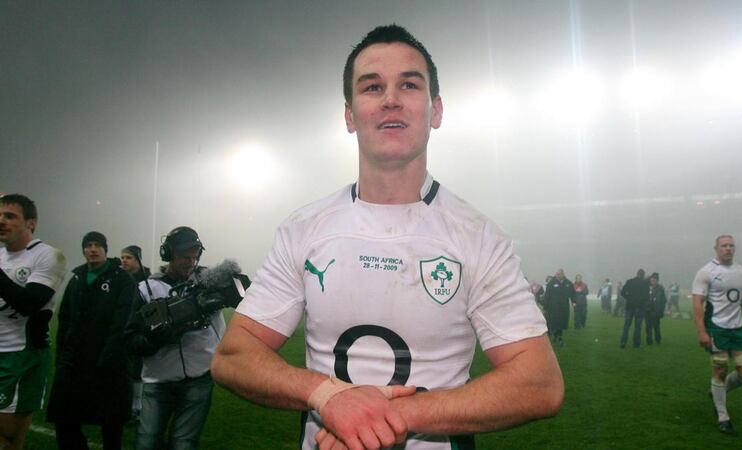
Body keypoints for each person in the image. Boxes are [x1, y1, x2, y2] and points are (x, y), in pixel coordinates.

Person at [211, 25, 563, 450]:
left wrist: (385, 416)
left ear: (435, 111)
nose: (391, 99)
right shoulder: (304, 228)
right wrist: (326, 395)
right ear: (349, 114)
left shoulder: (478, 238)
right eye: (372, 86)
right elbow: (233, 355)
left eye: (409, 84)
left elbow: (539, 383)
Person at [125, 227, 223, 450]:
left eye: (193, 257)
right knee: (146, 443)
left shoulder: (209, 283)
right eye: (183, 257)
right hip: (158, 381)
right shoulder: (144, 290)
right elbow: (130, 340)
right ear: (168, 254)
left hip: (200, 378)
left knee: (184, 444)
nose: (189, 262)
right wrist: (160, 337)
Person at [46, 232, 135, 450]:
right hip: (74, 362)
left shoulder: (121, 279)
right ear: (83, 249)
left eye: (97, 245)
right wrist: (63, 356)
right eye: (88, 245)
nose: (92, 249)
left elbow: (122, 322)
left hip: (107, 364)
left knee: (111, 423)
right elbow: (64, 317)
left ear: (106, 250)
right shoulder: (77, 277)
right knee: (64, 418)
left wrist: (108, 357)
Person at [0, 194, 68, 450]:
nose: (1, 221)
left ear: (31, 223)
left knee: (6, 435)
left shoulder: (48, 256)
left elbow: (29, 303)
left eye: (10, 216)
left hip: (20, 355)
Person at [692, 235, 742, 435]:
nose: (728, 249)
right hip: (716, 329)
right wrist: (702, 331)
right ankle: (723, 417)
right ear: (716, 248)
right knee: (719, 370)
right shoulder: (706, 272)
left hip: (737, 329)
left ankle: (717, 393)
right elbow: (697, 303)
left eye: (731, 246)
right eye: (724, 246)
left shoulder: (741, 272)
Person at [120, 244, 150, 422]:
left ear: (138, 259)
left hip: (138, 329)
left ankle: (136, 408)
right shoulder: (119, 278)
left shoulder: (146, 280)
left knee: (137, 369)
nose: (124, 260)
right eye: (123, 257)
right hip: (121, 328)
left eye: (128, 257)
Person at [619, 269, 649, 349]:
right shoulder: (645, 283)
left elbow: (622, 292)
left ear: (637, 274)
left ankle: (623, 342)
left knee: (627, 325)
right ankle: (636, 344)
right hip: (640, 307)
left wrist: (628, 297)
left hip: (630, 306)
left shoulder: (629, 281)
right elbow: (647, 296)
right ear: (643, 275)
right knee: (637, 326)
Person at [544, 269, 575, 346]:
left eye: (559, 274)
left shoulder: (568, 283)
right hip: (553, 306)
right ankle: (555, 335)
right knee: (554, 321)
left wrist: (574, 302)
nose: (558, 275)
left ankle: (559, 336)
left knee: (562, 321)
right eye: (557, 274)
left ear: (563, 274)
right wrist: (545, 306)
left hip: (564, 306)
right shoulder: (551, 283)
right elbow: (547, 295)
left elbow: (572, 293)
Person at [644, 272, 666, 345]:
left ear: (657, 280)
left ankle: (658, 339)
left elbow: (663, 300)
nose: (652, 281)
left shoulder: (660, 288)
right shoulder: (647, 287)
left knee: (656, 326)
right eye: (652, 279)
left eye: (654, 280)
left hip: (656, 311)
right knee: (648, 327)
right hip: (647, 310)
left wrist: (660, 310)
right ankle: (649, 341)